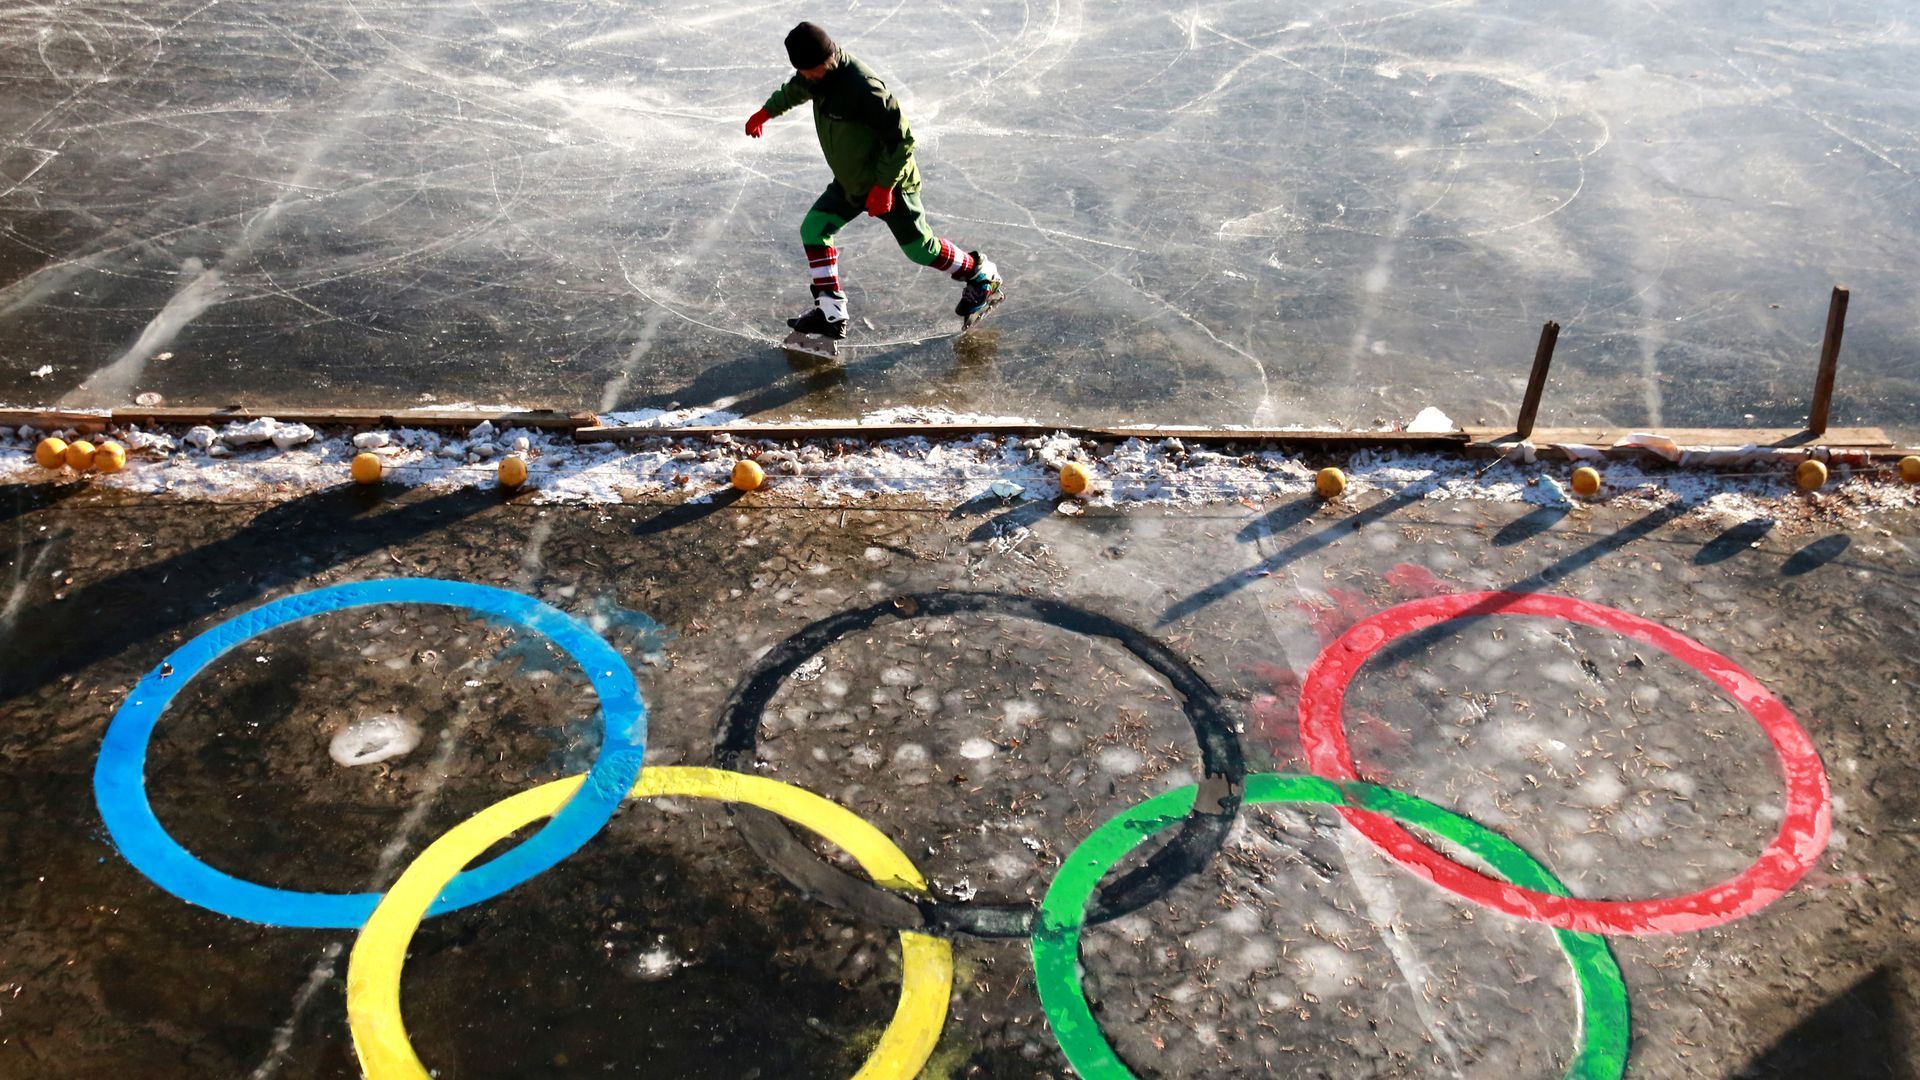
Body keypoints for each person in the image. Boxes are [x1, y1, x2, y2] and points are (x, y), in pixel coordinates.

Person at [744, 21, 1001, 342]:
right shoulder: (814, 77)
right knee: (814, 229)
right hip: (852, 182)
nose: (806, 77)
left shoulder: (863, 87)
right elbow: (796, 88)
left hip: (891, 184)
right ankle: (830, 313)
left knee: (920, 249)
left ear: (827, 61)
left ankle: (979, 275)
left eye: (810, 71)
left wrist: (883, 188)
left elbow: (902, 140)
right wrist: (765, 113)